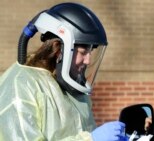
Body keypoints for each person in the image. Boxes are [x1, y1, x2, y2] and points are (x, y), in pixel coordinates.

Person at [0, 2, 127, 141]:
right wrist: (90, 139)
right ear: (58, 49)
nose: (88, 61)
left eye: (90, 52)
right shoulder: (21, 84)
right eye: (83, 52)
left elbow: (84, 131)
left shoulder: (73, 88)